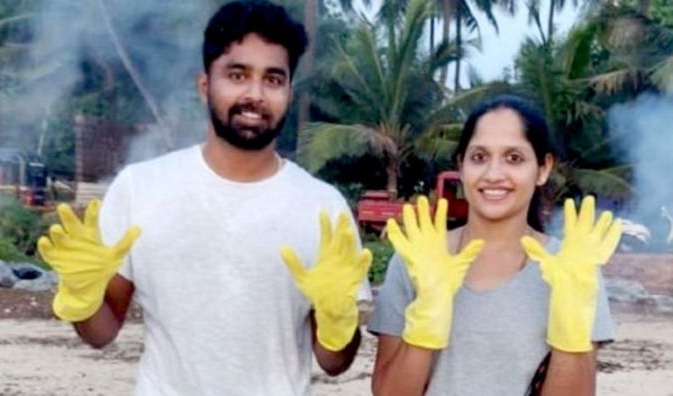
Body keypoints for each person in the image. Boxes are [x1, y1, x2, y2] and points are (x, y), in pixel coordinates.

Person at [36, 1, 372, 395]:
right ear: (205, 85)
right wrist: (81, 296)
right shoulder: (140, 188)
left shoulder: (323, 208)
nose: (255, 94)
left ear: (288, 92)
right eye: (237, 74)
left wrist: (338, 323)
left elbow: (334, 363)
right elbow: (101, 333)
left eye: (273, 79)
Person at [368, 95, 622, 396]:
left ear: (542, 168)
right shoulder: (417, 261)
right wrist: (425, 320)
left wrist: (569, 331)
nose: (494, 174)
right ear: (461, 166)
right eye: (479, 157)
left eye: (514, 158)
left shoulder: (573, 268)